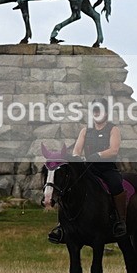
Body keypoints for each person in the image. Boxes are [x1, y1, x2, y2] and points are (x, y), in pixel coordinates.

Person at [48, 98, 127, 244]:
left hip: (106, 168)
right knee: (69, 186)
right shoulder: (85, 131)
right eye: (94, 110)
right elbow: (77, 150)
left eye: (100, 110)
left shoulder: (113, 129)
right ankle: (62, 225)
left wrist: (98, 155)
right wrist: (76, 160)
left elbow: (114, 150)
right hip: (88, 168)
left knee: (116, 183)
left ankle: (120, 220)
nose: (97, 113)